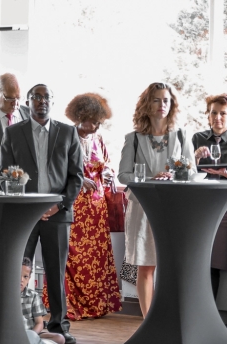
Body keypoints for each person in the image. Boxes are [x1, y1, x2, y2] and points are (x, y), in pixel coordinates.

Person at [0, 84, 84, 344]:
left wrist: (59, 205)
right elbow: (5, 175)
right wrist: (25, 203)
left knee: (55, 272)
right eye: (36, 97)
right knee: (18, 269)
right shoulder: (13, 133)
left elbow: (76, 176)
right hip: (24, 215)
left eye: (46, 97)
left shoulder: (68, 133)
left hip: (58, 214)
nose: (42, 101)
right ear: (28, 102)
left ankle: (60, 325)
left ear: (52, 102)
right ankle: (15, 322)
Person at [118, 82, 195, 317]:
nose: (162, 104)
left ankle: (172, 320)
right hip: (143, 208)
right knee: (146, 267)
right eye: (156, 100)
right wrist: (151, 177)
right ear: (146, 104)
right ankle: (148, 321)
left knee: (172, 267)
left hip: (173, 208)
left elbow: (191, 172)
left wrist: (173, 174)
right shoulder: (133, 138)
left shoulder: (182, 135)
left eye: (166, 100)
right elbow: (123, 174)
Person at [52, 93, 122, 320]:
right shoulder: (64, 136)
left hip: (97, 209)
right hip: (75, 206)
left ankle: (96, 305)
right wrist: (80, 180)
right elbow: (56, 169)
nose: (97, 126)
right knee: (73, 257)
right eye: (94, 120)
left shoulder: (98, 139)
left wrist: (109, 173)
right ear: (81, 116)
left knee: (96, 259)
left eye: (99, 121)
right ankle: (70, 305)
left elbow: (105, 164)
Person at [192, 94, 227, 297]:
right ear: (208, 115)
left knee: (217, 260)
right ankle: (207, 315)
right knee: (206, 263)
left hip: (225, 207)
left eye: (223, 113)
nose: (218, 118)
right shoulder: (197, 139)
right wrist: (194, 158)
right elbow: (184, 173)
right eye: (214, 113)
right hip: (203, 207)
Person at [21, 258, 67, 344]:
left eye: (25, 276)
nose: (21, 279)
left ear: (29, 278)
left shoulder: (33, 296)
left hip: (31, 333)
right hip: (12, 335)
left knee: (60, 339)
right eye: (17, 275)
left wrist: (32, 336)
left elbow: (39, 323)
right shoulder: (6, 295)